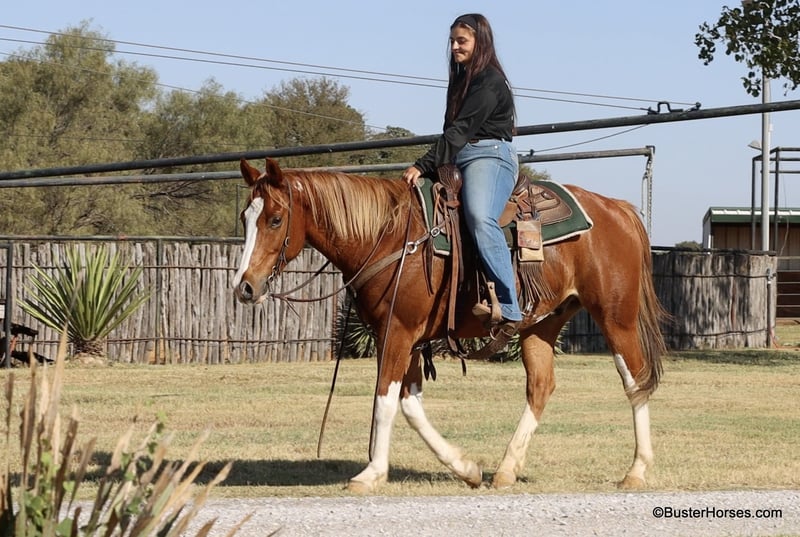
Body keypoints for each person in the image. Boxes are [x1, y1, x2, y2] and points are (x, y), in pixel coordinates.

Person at [402, 13, 522, 331]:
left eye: (462, 41)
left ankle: (509, 304)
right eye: (452, 41)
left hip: (490, 154)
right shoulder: (461, 80)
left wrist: (422, 165)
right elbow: (451, 131)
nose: (455, 47)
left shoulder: (490, 82)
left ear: (480, 42)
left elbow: (460, 130)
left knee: (480, 217)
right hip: (459, 155)